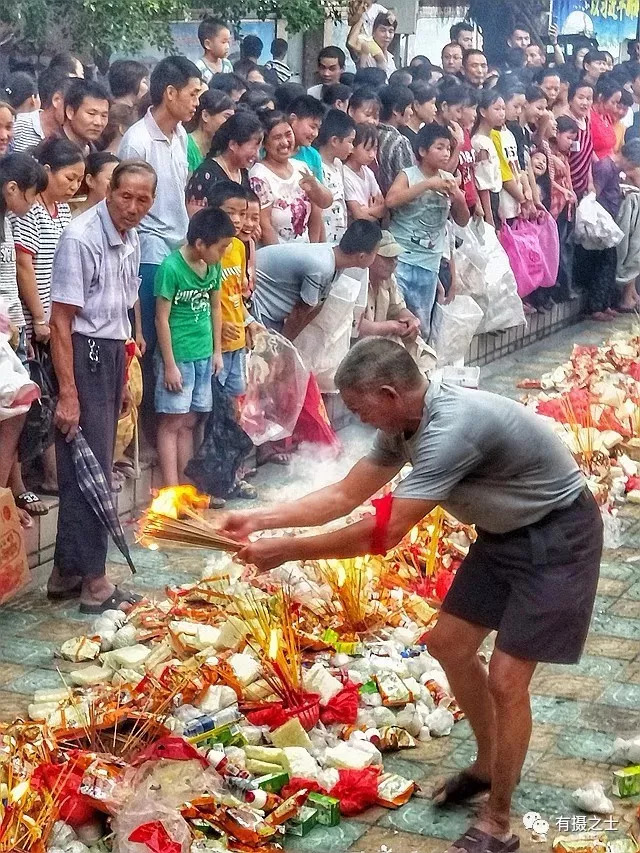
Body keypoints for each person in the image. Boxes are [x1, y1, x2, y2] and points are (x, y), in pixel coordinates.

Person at [221, 336, 602, 853]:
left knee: (508, 679)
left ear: (388, 392)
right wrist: (260, 520)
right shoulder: (404, 423)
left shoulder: (450, 427)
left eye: (360, 408)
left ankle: (498, 821)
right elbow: (345, 494)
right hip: (503, 535)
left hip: (559, 535)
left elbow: (385, 531)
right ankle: (489, 767)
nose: (359, 419)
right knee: (448, 644)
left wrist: (288, 550)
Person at [48, 161, 155, 613]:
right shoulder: (81, 237)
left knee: (87, 462)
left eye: (142, 200)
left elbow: (123, 305)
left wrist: (125, 367)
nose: (132, 207)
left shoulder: (132, 237)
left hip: (110, 353)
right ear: (109, 191)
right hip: (82, 352)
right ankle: (95, 581)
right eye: (125, 196)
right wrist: (69, 393)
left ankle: (65, 573)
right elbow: (60, 322)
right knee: (90, 470)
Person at [10, 138, 84, 511]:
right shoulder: (31, 211)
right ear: (48, 172)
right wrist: (39, 317)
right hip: (32, 319)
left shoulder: (63, 211)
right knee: (28, 404)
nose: (74, 187)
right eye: (69, 178)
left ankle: (57, 475)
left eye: (79, 180)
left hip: (57, 316)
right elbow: (25, 266)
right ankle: (21, 481)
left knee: (53, 397)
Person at [118, 56, 202, 372]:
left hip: (178, 242)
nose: (196, 102)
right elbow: (127, 204)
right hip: (148, 244)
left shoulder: (180, 135)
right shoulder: (137, 140)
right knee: (151, 334)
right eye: (192, 94)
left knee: (178, 332)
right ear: (170, 93)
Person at [154, 206, 233, 488]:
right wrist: (170, 365)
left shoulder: (213, 265)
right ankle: (170, 489)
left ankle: (187, 488)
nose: (223, 254)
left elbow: (215, 307)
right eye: (221, 248)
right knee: (171, 423)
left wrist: (217, 351)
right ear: (200, 243)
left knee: (189, 422)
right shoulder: (171, 268)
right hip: (179, 356)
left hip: (203, 354)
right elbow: (161, 318)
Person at [0, 153, 48, 529]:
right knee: (13, 406)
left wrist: (21, 324)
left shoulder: (7, 222)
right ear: (12, 188)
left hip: (10, 331)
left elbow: (10, 282)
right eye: (30, 196)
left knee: (15, 412)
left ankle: (5, 493)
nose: (31, 205)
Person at [386, 123, 469, 335]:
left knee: (421, 327)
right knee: (398, 320)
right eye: (439, 147)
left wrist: (458, 197)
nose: (445, 153)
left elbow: (462, 220)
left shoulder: (448, 180)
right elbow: (391, 200)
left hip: (430, 263)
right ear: (423, 151)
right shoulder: (408, 175)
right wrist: (428, 185)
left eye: (448, 148)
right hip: (402, 259)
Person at [252, 219, 382, 338]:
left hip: (273, 311)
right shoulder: (322, 267)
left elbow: (316, 306)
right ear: (362, 256)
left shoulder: (336, 259)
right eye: (375, 253)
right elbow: (299, 313)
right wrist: (282, 347)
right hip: (258, 302)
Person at [249, 111, 317, 244]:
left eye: (288, 134)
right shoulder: (258, 175)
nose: (285, 142)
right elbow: (265, 225)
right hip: (278, 256)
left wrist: (315, 249)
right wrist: (279, 258)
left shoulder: (301, 167)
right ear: (265, 143)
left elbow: (321, 205)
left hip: (306, 252)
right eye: (277, 138)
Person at [187, 112, 264, 214]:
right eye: (254, 147)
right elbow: (195, 218)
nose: (257, 155)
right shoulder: (206, 174)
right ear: (233, 144)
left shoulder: (244, 173)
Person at [357, 231, 421, 350]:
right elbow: (355, 325)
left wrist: (412, 321)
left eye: (395, 257)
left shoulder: (389, 279)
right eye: (388, 258)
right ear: (371, 255)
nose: (394, 262)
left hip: (377, 343)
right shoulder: (356, 279)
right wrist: (391, 326)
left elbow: (398, 308)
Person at [547, 115, 578, 302]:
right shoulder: (548, 154)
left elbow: (568, 180)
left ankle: (564, 289)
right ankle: (555, 291)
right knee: (555, 250)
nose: (570, 143)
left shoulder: (563, 156)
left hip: (565, 208)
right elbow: (551, 181)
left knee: (565, 249)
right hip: (553, 209)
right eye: (568, 138)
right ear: (557, 133)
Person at [316, 109, 356, 243]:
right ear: (334, 140)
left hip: (338, 236)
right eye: (350, 142)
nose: (352, 148)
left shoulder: (338, 165)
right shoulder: (317, 167)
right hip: (324, 239)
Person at [11, 69, 71, 153]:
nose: (73, 113)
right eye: (71, 106)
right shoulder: (17, 124)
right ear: (57, 100)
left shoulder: (73, 139)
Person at [472, 90, 505, 228]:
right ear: (483, 112)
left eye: (503, 108)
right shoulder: (480, 143)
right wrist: (489, 217)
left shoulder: (491, 138)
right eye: (497, 109)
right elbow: (483, 185)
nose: (502, 113)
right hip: (489, 200)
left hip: (496, 197)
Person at [376, 85, 416, 195]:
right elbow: (410, 182)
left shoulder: (370, 132)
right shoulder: (400, 142)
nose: (412, 112)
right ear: (396, 110)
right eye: (409, 107)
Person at [185, 88, 235, 174]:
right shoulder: (186, 146)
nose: (231, 123)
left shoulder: (221, 150)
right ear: (205, 116)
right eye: (227, 117)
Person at [344, 122, 385, 223]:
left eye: (375, 149)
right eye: (367, 149)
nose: (372, 155)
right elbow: (358, 215)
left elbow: (383, 207)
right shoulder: (345, 174)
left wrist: (368, 211)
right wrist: (375, 213)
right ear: (353, 147)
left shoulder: (368, 172)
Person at [62, 79, 110, 155]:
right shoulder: (51, 150)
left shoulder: (97, 149)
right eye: (91, 114)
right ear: (70, 112)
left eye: (104, 115)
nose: (98, 122)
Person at [287, 94, 328, 184]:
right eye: (312, 127)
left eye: (318, 129)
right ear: (293, 119)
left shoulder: (313, 156)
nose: (315, 134)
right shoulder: (270, 149)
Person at [564, 81, 595, 200]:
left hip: (583, 185)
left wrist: (590, 182)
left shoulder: (587, 121)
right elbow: (564, 160)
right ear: (570, 100)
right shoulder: (565, 123)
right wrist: (569, 188)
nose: (585, 103)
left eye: (589, 98)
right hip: (567, 186)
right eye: (580, 98)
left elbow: (588, 155)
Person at [73, 152, 120, 218]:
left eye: (118, 180)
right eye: (110, 179)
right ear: (90, 180)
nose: (116, 185)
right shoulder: (75, 219)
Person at [351, 12, 398, 78]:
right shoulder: (365, 49)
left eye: (390, 31)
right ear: (373, 31)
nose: (387, 35)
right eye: (383, 30)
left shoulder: (390, 58)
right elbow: (351, 43)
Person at [590, 75, 622, 160]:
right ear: (601, 98)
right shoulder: (588, 117)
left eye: (617, 103)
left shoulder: (607, 116)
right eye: (613, 102)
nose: (615, 108)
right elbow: (588, 149)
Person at [195, 17, 233, 85]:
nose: (227, 47)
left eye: (228, 42)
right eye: (223, 42)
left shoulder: (227, 64)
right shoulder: (199, 68)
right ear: (208, 44)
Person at [402, 83, 437, 148]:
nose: (435, 109)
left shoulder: (423, 133)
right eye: (432, 103)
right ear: (416, 105)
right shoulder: (404, 138)